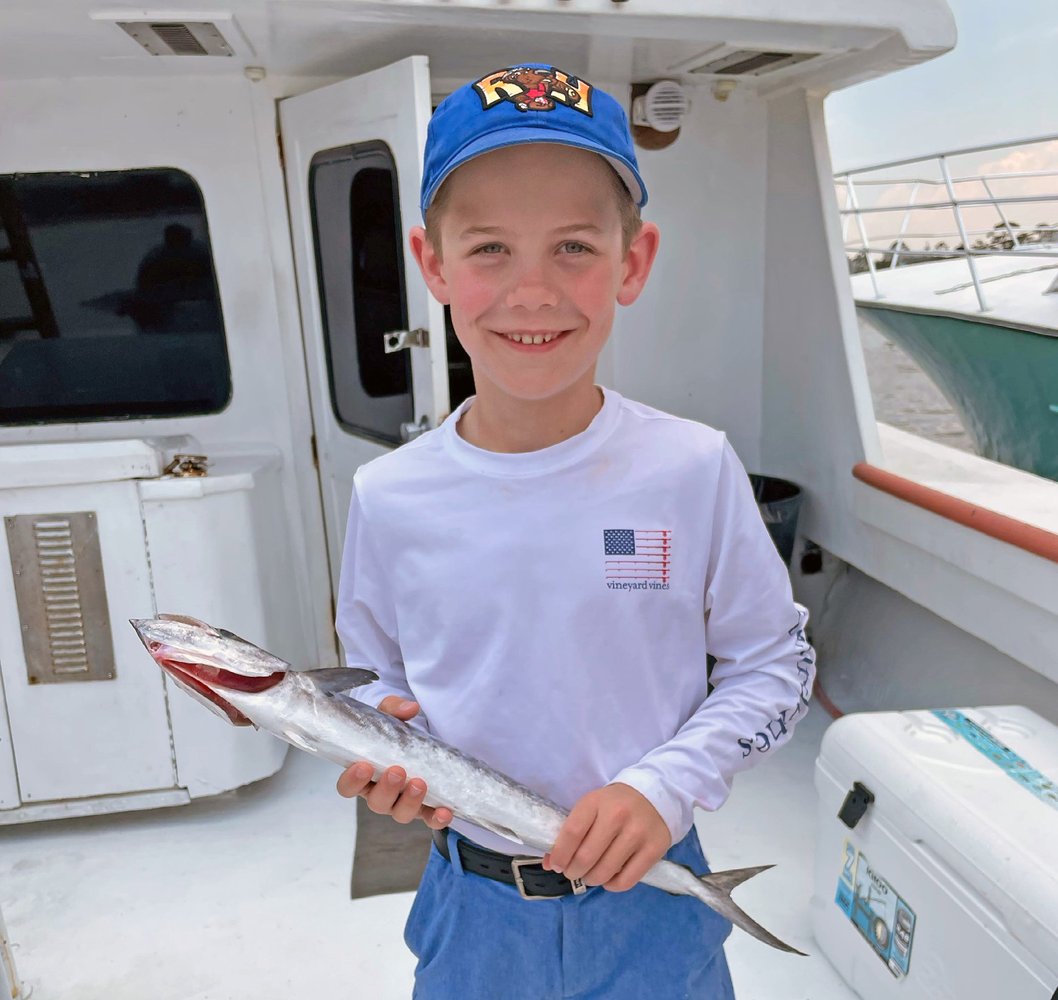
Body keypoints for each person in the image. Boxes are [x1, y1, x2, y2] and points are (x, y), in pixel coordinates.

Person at [334, 63, 816, 999]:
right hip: (474, 917)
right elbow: (378, 691)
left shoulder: (692, 466)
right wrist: (387, 759)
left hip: (658, 908)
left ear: (632, 263)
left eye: (573, 248)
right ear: (432, 266)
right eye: (487, 251)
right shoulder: (387, 494)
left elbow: (776, 666)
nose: (533, 292)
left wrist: (662, 788)